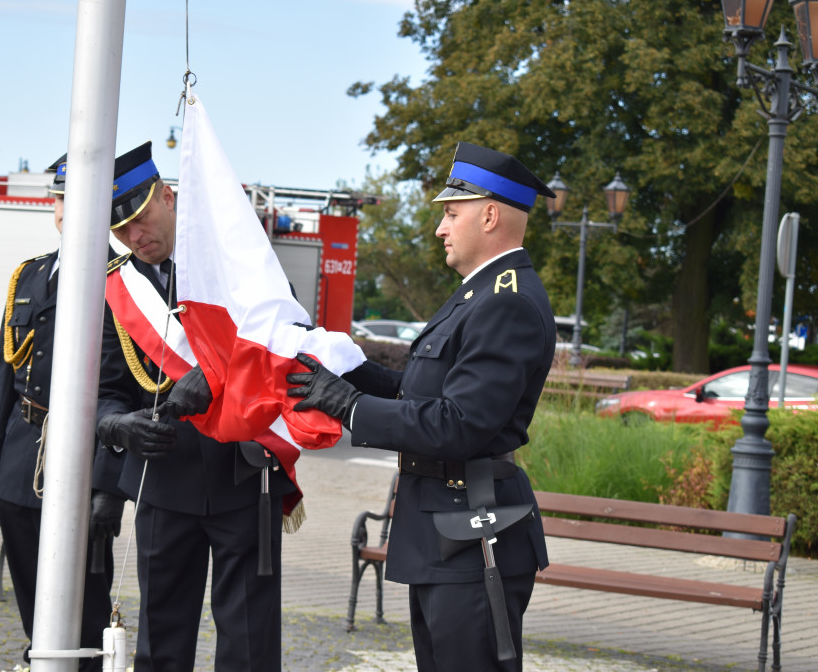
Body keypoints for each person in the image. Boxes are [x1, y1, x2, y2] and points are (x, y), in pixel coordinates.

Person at [286, 142, 556, 671]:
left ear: (491, 214)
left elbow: (460, 426)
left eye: (452, 214)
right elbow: (420, 394)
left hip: (474, 535)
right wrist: (347, 366)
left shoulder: (507, 302)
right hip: (444, 532)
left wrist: (349, 406)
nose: (441, 228)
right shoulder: (477, 296)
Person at [95, 141, 296, 672]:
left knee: (249, 642)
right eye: (120, 231)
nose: (135, 238)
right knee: (161, 639)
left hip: (245, 472)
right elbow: (105, 388)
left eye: (140, 219)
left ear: (168, 196)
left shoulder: (236, 259)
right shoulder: (118, 286)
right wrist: (117, 426)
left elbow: (286, 345)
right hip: (162, 480)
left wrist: (216, 375)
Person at [0, 155, 128, 672]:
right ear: (55, 207)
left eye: (83, 201)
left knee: (85, 609)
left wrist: (110, 486)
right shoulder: (29, 275)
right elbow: (3, 380)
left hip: (84, 465)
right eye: (63, 200)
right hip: (20, 462)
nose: (70, 211)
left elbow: (128, 392)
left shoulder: (125, 284)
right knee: (33, 604)